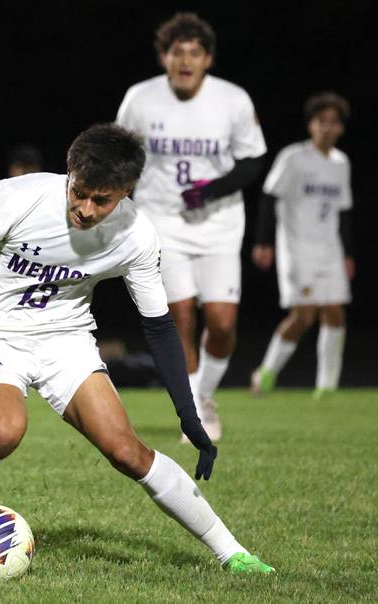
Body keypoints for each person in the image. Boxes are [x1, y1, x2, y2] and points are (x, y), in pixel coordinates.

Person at [0, 123, 273, 574]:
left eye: (101, 200)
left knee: (127, 452)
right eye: (79, 192)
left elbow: (159, 327)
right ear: (69, 170)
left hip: (66, 339)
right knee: (4, 430)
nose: (84, 208)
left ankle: (232, 552)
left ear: (127, 190)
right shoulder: (19, 196)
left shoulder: (136, 234)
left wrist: (188, 412)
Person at [116, 13, 266, 442]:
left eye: (194, 53)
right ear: (164, 57)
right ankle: (198, 411)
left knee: (221, 322)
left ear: (208, 59)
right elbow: (122, 153)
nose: (185, 60)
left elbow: (254, 159)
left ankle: (205, 395)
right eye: (176, 52)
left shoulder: (233, 100)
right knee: (181, 317)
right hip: (162, 220)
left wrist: (214, 189)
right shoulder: (140, 99)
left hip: (220, 224)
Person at [250, 92, 354, 397]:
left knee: (335, 312)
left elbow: (344, 211)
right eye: (321, 122)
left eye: (333, 123)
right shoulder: (293, 157)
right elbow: (270, 197)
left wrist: (347, 253)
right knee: (304, 314)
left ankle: (327, 386)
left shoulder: (341, 163)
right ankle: (266, 372)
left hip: (330, 249)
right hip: (297, 248)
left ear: (340, 129)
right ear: (311, 125)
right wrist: (263, 242)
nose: (327, 128)